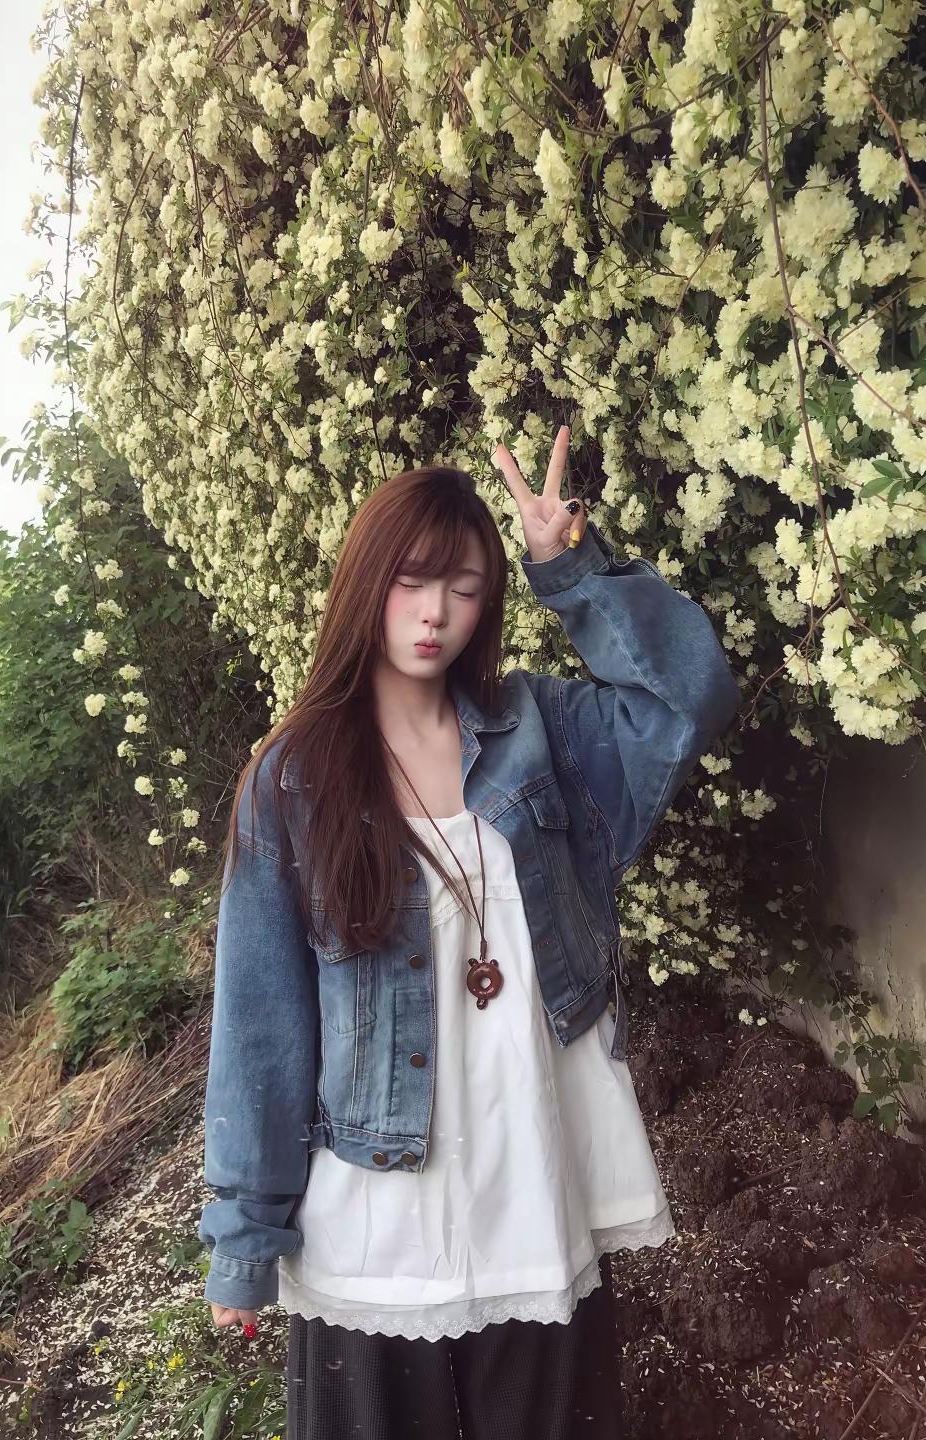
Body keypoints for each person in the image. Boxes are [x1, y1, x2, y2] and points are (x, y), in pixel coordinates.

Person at [198, 424, 741, 1438]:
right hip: (374, 1216)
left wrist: (570, 568)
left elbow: (688, 698)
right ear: (366, 583)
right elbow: (261, 1023)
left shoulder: (539, 728)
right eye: (411, 581)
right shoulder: (294, 778)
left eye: (464, 587)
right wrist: (244, 1235)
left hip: (535, 1176)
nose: (435, 612)